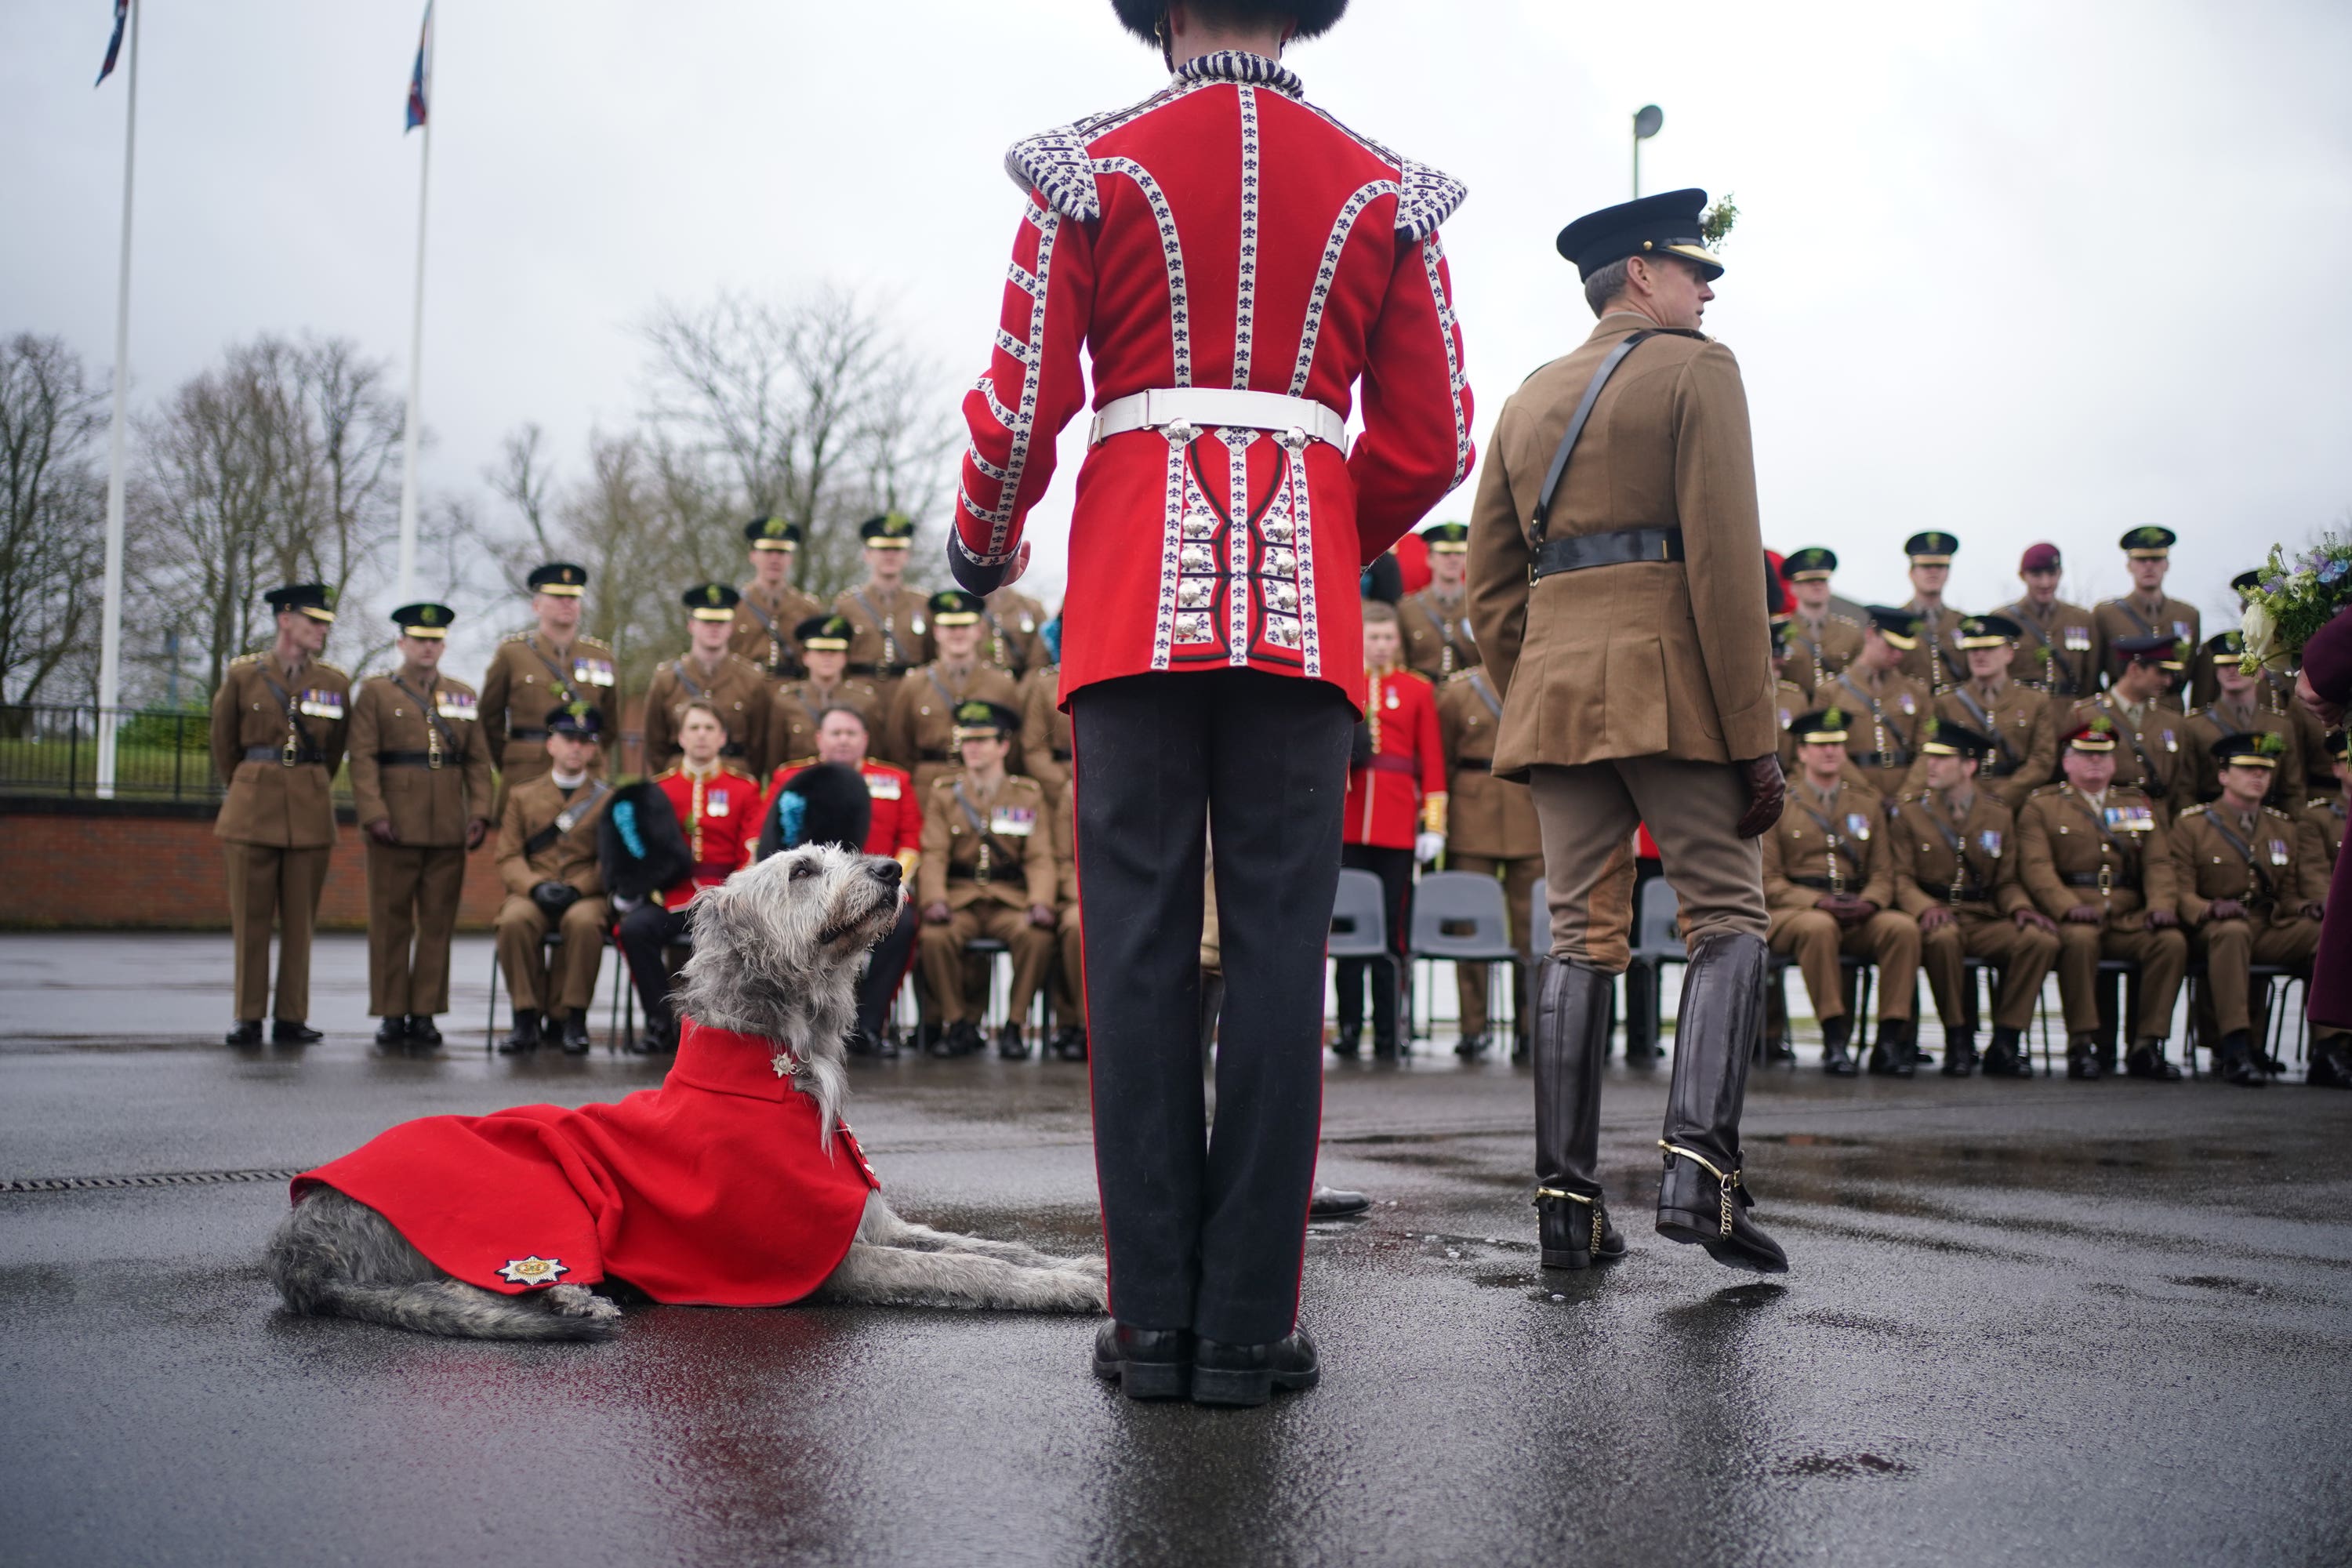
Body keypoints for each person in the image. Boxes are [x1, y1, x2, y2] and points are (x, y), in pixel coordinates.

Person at [946, 0, 1473, 1403]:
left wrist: (984, 543)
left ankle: (1150, 1321)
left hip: (1129, 609)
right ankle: (1247, 1326)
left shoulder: (1088, 163)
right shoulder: (1381, 187)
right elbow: (1434, 438)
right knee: (1282, 968)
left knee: (1131, 968)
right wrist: (1310, 512)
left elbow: (1020, 405)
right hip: (1304, 635)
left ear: (1162, 9)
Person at [1467, 183, 1787, 1277]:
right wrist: (1757, 737)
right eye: (1696, 269)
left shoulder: (1526, 397)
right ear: (1643, 274)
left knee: (1578, 937)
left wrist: (1545, 677)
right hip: (1675, 687)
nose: (1707, 287)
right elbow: (1727, 568)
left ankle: (1567, 1207)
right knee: (1728, 918)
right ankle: (1702, 1176)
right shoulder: (1701, 368)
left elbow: (1490, 589)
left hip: (1554, 690)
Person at [347, 602, 495, 1050]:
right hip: (393, 824)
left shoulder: (464, 695)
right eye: (419, 639)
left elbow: (477, 761)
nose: (427, 647)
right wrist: (373, 814)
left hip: (447, 823)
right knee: (390, 922)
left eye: (435, 640)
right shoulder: (376, 693)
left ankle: (426, 1012)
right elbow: (363, 758)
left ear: (444, 644)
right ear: (402, 643)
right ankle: (392, 1012)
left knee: (437, 924)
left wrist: (480, 813)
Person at [210, 583, 350, 1046]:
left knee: (299, 922)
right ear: (284, 619)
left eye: (326, 624)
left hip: (309, 810)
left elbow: (334, 752)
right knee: (250, 919)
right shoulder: (243, 676)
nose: (321, 631)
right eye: (314, 622)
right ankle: (247, 1016)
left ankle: (291, 1016)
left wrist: (306, 783)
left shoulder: (334, 683)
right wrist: (251, 783)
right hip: (252, 808)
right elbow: (224, 745)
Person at [2016, 720, 2187, 1080]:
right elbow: (2037, 868)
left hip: (2127, 914)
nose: (2094, 763)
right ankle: (2083, 1042)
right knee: (2078, 941)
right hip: (2076, 908)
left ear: (2113, 763)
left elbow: (2157, 863)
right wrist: (2066, 906)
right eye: (2084, 755)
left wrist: (2160, 907)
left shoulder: (2137, 804)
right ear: (2066, 762)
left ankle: (2147, 1043)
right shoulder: (2042, 805)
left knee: (2169, 942)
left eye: (2102, 756)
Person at [1889, 720, 2058, 1077]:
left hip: (1981, 914)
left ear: (1969, 766)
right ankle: (1957, 1038)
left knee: (2039, 940)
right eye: (1929, 757)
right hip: (1935, 913)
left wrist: (2022, 908)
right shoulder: (1911, 811)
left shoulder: (1997, 814)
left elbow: (2006, 881)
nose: (1930, 766)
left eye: (1942, 759)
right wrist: (1925, 908)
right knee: (1943, 938)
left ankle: (2007, 1039)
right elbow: (1900, 878)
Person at [1764, 710, 1923, 1076]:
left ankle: (1888, 1041)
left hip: (1855, 907)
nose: (1830, 753)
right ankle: (1835, 1039)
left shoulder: (1866, 802)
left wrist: (1871, 901)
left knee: (1901, 928)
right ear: (1802, 752)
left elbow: (1884, 872)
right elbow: (1767, 879)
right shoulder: (1780, 800)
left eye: (1836, 745)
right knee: (1819, 927)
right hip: (1796, 911)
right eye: (1820, 747)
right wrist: (1816, 901)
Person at [760, 705, 923, 1057]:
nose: (843, 740)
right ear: (820, 739)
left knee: (905, 924)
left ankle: (869, 1024)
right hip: (814, 895)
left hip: (877, 882)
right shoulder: (791, 778)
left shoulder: (894, 780)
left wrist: (892, 887)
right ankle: (796, 1024)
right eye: (836, 733)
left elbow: (910, 841)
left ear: (865, 740)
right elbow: (770, 838)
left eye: (851, 733)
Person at [2168, 732, 2327, 1087]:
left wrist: (2305, 907)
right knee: (2233, 933)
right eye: (2247, 769)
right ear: (2224, 775)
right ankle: (2236, 1045)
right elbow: (2179, 890)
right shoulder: (2192, 825)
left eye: (2264, 770)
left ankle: (2330, 1048)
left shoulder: (2281, 826)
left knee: (2325, 936)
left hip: (2267, 924)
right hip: (2215, 926)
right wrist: (2209, 908)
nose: (2258, 777)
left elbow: (2287, 894)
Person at [616, 702, 761, 1054]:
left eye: (709, 728)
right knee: (634, 929)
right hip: (672, 896)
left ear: (722, 738)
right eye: (694, 728)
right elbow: (643, 849)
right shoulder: (658, 789)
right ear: (680, 737)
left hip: (728, 898)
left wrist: (736, 894)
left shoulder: (744, 789)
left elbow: (752, 849)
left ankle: (733, 1031)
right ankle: (659, 1023)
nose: (701, 735)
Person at [916, 701, 1055, 1061]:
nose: (973, 748)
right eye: (967, 740)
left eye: (983, 740)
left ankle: (1015, 1025)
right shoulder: (945, 792)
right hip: (960, 898)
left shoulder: (1027, 793)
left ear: (1004, 745)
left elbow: (1040, 856)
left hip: (1008, 897)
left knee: (1036, 936)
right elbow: (933, 853)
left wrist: (1041, 901)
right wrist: (934, 899)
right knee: (935, 937)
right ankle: (958, 1023)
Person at [1336, 601, 1445, 1058]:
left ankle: (1388, 1029)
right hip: (1348, 819)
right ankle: (1347, 1026)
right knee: (1348, 930)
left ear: (1397, 641)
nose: (1380, 647)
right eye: (1373, 638)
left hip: (1399, 825)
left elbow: (1432, 761)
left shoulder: (1417, 690)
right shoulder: (1346, 684)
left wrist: (1433, 825)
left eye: (1387, 638)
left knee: (1392, 932)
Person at [492, 703, 614, 1054]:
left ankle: (572, 1019)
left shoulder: (607, 800)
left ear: (593, 750)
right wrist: (534, 886)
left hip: (584, 892)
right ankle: (525, 1017)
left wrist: (580, 887)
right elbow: (508, 854)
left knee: (585, 923)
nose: (576, 747)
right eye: (568, 738)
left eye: (584, 741)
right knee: (513, 920)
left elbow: (610, 861)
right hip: (533, 888)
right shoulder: (522, 794)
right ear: (551, 745)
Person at [1435, 654, 1537, 1061]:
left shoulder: (1537, 680)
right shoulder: (1458, 692)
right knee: (1470, 928)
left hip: (1530, 814)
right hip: (1471, 815)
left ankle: (1530, 1029)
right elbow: (1441, 760)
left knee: (1532, 932)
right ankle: (1472, 1028)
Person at [479, 563, 618, 802]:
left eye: (573, 597)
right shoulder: (512, 654)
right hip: (526, 772)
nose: (567, 603)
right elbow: (488, 720)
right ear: (536, 606)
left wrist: (582, 751)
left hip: (585, 777)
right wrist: (515, 757)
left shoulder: (600, 657)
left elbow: (611, 723)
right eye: (557, 596)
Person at [1904, 614, 2054, 811]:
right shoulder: (1947, 702)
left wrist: (2004, 796)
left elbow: (2042, 760)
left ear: (2009, 653)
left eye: (1989, 648)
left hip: (2017, 803)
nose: (1980, 655)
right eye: (1973, 649)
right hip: (1960, 803)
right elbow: (1929, 755)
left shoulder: (2035, 701)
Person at [884, 590, 1025, 799]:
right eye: (950, 626)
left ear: (979, 630)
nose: (958, 633)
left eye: (965, 626)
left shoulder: (1002, 684)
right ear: (936, 632)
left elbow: (1013, 746)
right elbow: (898, 745)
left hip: (986, 789)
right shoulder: (914, 683)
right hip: (928, 790)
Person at [641, 585, 772, 777]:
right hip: (680, 778)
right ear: (691, 625)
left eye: (721, 622)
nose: (714, 628)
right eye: (707, 621)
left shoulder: (752, 680)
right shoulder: (667, 680)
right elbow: (655, 745)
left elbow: (758, 746)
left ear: (731, 627)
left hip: (734, 779)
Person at [2180, 633, 2305, 812]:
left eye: (2241, 665)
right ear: (2216, 671)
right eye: (2225, 665)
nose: (2232, 670)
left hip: (2267, 823)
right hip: (2212, 822)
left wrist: (2290, 833)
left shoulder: (2280, 725)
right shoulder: (2194, 726)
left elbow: (2293, 790)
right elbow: (2185, 791)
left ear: (2261, 672)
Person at [2069, 634, 2189, 812]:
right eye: (2161, 672)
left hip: (2156, 822)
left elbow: (2180, 785)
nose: (2168, 681)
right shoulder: (2085, 714)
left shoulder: (2172, 722)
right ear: (2135, 669)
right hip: (2104, 817)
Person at [836, 514, 935, 722]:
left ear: (907, 555)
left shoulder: (923, 604)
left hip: (909, 696)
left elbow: (931, 656)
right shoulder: (847, 605)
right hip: (861, 696)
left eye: (897, 549)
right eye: (882, 549)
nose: (890, 556)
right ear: (867, 554)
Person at [1828, 608, 1933, 799]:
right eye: (1890, 646)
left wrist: (1907, 794)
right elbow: (1828, 750)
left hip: (1905, 795)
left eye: (1902, 649)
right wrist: (1866, 792)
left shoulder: (1917, 692)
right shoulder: (1831, 692)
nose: (1897, 655)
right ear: (1870, 634)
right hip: (1854, 794)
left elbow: (1927, 749)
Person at [2093, 527, 2199, 706]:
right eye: (2141, 559)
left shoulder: (2188, 615)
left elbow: (2194, 671)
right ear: (2129, 565)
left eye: (2157, 559)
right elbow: (2092, 674)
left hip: (2171, 710)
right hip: (2122, 710)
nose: (2149, 566)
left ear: (2167, 564)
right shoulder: (2107, 614)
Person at [767, 614, 884, 768]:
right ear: (806, 657)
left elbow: (875, 757)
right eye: (820, 651)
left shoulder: (865, 701)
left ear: (844, 658)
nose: (827, 658)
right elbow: (775, 757)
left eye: (834, 652)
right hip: (803, 782)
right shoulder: (787, 700)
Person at [1993, 542, 2098, 712]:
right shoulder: (2003, 620)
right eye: (2036, 574)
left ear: (2060, 573)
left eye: (2051, 573)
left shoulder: (2082, 619)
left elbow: (2092, 677)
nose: (2045, 583)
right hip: (2022, 716)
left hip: (2070, 716)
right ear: (2022, 576)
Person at [731, 516, 825, 684]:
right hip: (747, 693)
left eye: (782, 552)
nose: (775, 559)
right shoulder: (735, 607)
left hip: (792, 694)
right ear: (753, 555)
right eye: (767, 552)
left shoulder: (808, 609)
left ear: (791, 558)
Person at [1398, 521, 1481, 681]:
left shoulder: (1478, 604)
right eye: (1444, 553)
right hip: (1424, 695)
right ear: (1429, 559)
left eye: (1459, 553)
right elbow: (1400, 662)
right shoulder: (1408, 608)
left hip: (1469, 697)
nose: (1453, 559)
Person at [1777, 546, 1862, 700]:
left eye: (1822, 580)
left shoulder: (1851, 632)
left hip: (1837, 713)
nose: (1817, 585)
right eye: (1808, 581)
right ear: (1793, 588)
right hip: (1796, 714)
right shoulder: (1779, 632)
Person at [1047, 775, 1089, 1061]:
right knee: (1077, 926)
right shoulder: (1075, 789)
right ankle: (1089, 1029)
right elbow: (1062, 859)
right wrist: (1090, 900)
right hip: (1085, 892)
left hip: (1146, 894)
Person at [1897, 532, 1969, 696]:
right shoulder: (1896, 623)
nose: (1933, 572)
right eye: (1926, 566)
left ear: (1948, 572)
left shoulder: (1963, 623)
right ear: (1912, 573)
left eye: (1940, 566)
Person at [981, 586, 1054, 679]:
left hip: (1025, 685)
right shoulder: (970, 609)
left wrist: (1021, 691)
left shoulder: (1031, 608)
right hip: (984, 686)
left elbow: (1039, 663)